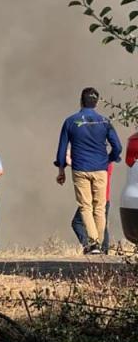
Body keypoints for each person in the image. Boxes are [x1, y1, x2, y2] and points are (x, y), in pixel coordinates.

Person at [56, 87, 122, 254]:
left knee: (85, 206)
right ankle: (98, 245)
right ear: (97, 102)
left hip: (80, 169)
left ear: (81, 100)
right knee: (99, 207)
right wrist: (110, 159)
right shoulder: (105, 121)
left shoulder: (70, 121)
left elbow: (62, 148)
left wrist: (61, 169)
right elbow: (118, 147)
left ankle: (93, 244)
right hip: (101, 169)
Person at [72, 164, 113, 253]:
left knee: (77, 222)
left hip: (93, 199)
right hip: (105, 198)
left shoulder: (98, 162)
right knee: (102, 225)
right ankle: (103, 250)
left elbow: (87, 172)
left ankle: (90, 247)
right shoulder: (106, 161)